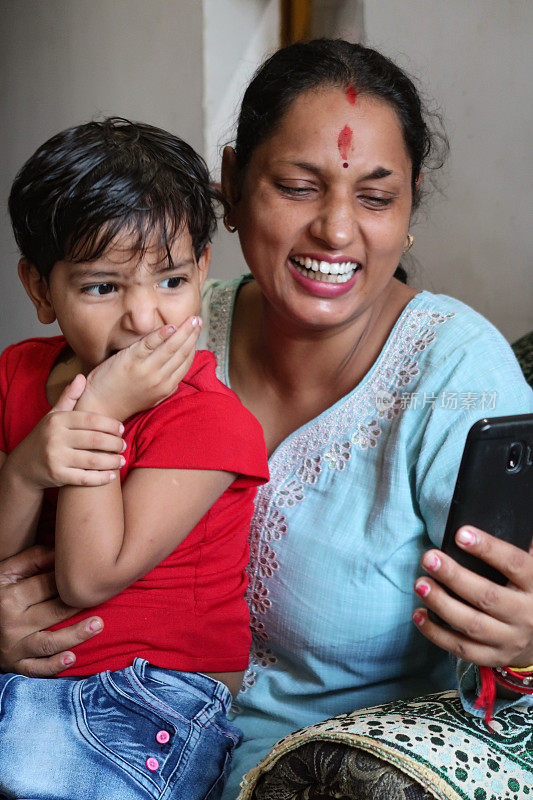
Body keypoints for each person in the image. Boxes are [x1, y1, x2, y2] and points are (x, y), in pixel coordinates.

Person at [1, 40, 532, 800]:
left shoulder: (454, 375)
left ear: (410, 208)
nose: (337, 231)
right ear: (232, 184)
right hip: (73, 714)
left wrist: (522, 639)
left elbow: (513, 628)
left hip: (317, 772)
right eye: (296, 186)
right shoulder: (158, 324)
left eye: (376, 199)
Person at [0, 118, 269, 800]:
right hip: (23, 680)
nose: (144, 318)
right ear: (39, 289)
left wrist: (96, 415)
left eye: (171, 280)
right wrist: (27, 468)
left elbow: (90, 579)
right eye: (102, 287)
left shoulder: (209, 420)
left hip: (152, 702)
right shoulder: (16, 376)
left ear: (203, 272)